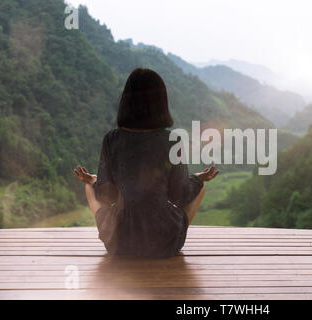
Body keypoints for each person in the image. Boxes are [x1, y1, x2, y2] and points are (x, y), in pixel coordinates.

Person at [74, 68, 219, 258]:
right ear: (161, 103)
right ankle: (175, 232)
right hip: (163, 242)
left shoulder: (112, 139)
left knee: (89, 186)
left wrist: (93, 181)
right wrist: (198, 179)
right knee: (200, 186)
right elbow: (180, 194)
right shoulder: (171, 140)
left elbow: (106, 194)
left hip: (119, 242)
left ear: (126, 102)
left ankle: (104, 222)